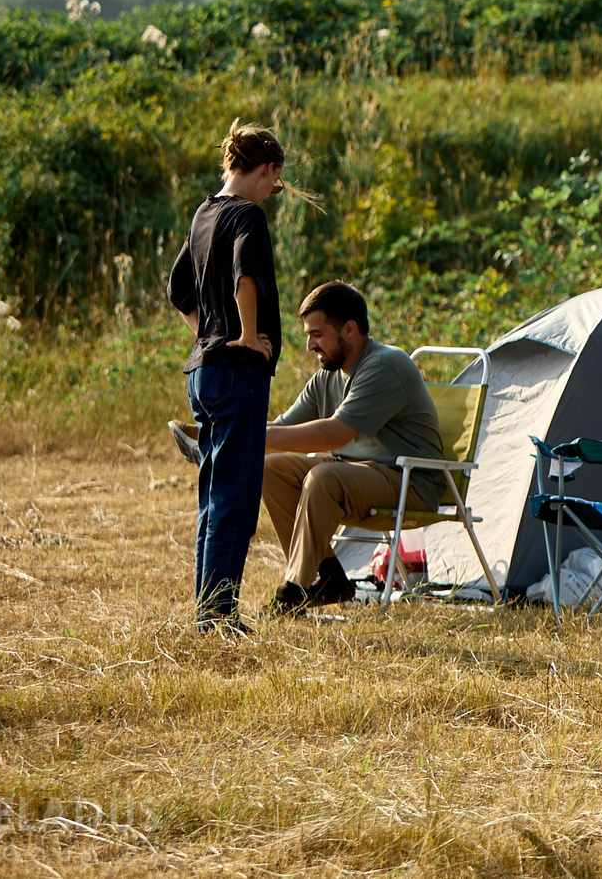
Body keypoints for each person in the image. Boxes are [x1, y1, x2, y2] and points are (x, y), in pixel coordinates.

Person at [167, 121, 293, 633]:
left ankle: (207, 610)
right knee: (235, 498)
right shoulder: (247, 216)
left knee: (212, 492)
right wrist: (242, 335)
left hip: (204, 371)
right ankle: (218, 616)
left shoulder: (203, 213)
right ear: (265, 169)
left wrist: (208, 334)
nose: (272, 192)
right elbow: (246, 276)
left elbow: (178, 289)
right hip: (238, 373)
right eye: (275, 182)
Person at [259, 281, 447, 614]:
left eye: (317, 334)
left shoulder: (384, 365)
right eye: (308, 334)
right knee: (271, 469)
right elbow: (283, 427)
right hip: (360, 478)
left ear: (349, 330)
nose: (309, 345)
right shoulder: (327, 376)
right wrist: (227, 435)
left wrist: (251, 441)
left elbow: (336, 434)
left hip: (408, 480)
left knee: (323, 477)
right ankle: (329, 576)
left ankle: (294, 591)